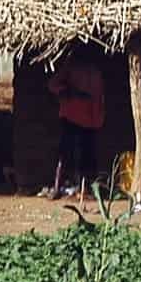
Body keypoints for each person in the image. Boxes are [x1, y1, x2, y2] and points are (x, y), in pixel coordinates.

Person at [47, 51, 105, 197]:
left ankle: (85, 188)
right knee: (66, 153)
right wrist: (71, 93)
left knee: (87, 156)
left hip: (90, 120)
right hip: (71, 117)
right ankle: (58, 186)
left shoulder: (95, 72)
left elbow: (98, 97)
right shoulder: (70, 68)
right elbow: (53, 85)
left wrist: (98, 118)